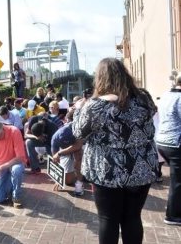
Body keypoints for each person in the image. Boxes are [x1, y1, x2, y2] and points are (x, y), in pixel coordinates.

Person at [72, 58, 158, 244]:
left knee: (108, 219)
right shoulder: (144, 98)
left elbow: (78, 132)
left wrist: (79, 109)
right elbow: (151, 111)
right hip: (141, 168)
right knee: (133, 218)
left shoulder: (96, 106)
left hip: (108, 172)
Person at [155, 74, 181, 225]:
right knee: (178, 181)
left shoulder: (166, 95)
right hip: (176, 144)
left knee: (177, 180)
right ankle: (173, 215)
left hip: (163, 142)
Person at [0, 120, 26, 208]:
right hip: (0, 166)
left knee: (17, 170)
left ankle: (16, 196)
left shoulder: (14, 131)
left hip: (15, 163)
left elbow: (20, 158)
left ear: (3, 129)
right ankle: (11, 183)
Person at [51, 110, 84, 195]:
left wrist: (60, 153)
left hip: (81, 145)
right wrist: (58, 178)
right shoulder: (55, 139)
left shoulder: (78, 129)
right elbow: (55, 161)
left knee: (78, 157)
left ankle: (79, 184)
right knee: (68, 181)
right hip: (65, 151)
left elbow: (78, 146)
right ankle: (75, 173)